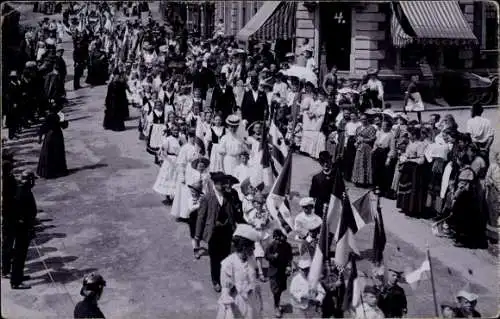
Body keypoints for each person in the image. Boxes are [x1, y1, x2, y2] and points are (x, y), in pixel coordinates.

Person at [194, 172, 245, 292]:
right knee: (215, 259)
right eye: (221, 183)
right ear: (215, 184)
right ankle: (216, 280)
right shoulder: (207, 198)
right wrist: (197, 236)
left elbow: (235, 215)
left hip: (227, 231)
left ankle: (226, 280)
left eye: (224, 183)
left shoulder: (229, 196)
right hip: (214, 232)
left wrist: (245, 225)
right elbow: (201, 218)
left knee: (226, 257)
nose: (224, 185)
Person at [216, 224, 263, 319]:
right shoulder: (228, 264)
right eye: (252, 245)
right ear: (244, 246)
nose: (254, 249)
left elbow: (253, 279)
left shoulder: (251, 260)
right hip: (236, 306)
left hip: (251, 304)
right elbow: (225, 290)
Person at [10, 170, 38, 289]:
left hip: (24, 226)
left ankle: (19, 276)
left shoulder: (23, 189)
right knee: (19, 254)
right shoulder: (23, 192)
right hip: (22, 228)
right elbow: (21, 213)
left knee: (22, 254)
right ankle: (16, 281)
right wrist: (28, 227)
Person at [396, 127, 427, 218]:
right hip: (407, 167)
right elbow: (406, 154)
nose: (408, 136)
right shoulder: (410, 143)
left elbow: (421, 160)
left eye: (409, 134)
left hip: (414, 169)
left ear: (414, 135)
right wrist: (403, 158)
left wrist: (410, 159)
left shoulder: (420, 144)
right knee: (404, 186)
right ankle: (404, 206)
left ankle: (411, 209)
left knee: (412, 188)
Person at [265, 229, 293, 318]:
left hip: (283, 271)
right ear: (274, 237)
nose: (279, 239)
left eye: (280, 237)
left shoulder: (287, 245)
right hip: (274, 272)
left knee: (280, 290)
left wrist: (289, 266)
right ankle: (276, 307)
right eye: (276, 237)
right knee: (275, 290)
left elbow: (290, 256)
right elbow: (266, 256)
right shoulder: (271, 245)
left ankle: (277, 303)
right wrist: (273, 256)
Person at [37, 104, 68, 179]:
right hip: (57, 136)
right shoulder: (59, 115)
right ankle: (58, 171)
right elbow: (64, 126)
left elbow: (43, 127)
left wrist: (40, 137)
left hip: (49, 136)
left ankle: (48, 172)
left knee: (48, 154)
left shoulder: (49, 115)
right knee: (57, 153)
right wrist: (63, 118)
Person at [153, 125, 181, 203]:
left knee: (177, 178)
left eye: (177, 130)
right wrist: (164, 159)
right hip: (170, 160)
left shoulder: (181, 138)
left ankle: (176, 196)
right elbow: (163, 150)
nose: (176, 131)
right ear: (171, 131)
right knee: (168, 177)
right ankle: (168, 197)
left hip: (178, 159)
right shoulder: (168, 139)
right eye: (174, 130)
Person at [1, 158, 17, 278]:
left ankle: (7, 268)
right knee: (7, 245)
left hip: (8, 217)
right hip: (9, 218)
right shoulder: (8, 182)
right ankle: (5, 270)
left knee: (8, 244)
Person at [352, 113, 377, 187]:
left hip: (367, 148)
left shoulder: (371, 128)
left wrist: (364, 139)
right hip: (359, 147)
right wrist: (356, 141)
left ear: (367, 119)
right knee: (358, 163)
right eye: (362, 119)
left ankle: (365, 181)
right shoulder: (359, 128)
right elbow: (356, 136)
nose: (363, 120)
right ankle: (357, 180)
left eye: (364, 119)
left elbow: (373, 138)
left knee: (365, 163)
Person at [301, 88, 327, 159]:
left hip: (320, 120)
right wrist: (312, 112)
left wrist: (313, 113)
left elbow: (320, 113)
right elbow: (314, 110)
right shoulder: (319, 102)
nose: (320, 97)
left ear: (324, 96)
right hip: (315, 120)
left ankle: (317, 154)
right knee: (314, 136)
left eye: (322, 96)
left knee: (317, 135)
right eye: (319, 96)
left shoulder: (324, 104)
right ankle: (312, 152)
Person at [372, 119, 395, 197]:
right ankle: (376, 186)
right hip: (377, 153)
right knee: (376, 170)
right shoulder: (380, 133)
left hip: (384, 153)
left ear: (388, 127)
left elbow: (392, 148)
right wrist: (374, 149)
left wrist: (389, 158)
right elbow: (376, 143)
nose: (382, 127)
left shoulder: (391, 135)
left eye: (384, 125)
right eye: (382, 125)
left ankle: (382, 189)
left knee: (383, 172)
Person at [309, 151, 336, 218]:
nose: (325, 164)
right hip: (319, 207)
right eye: (323, 162)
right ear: (320, 163)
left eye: (327, 162)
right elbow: (312, 195)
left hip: (332, 207)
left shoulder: (336, 177)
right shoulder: (316, 178)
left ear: (330, 161)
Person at [343, 112, 362, 181]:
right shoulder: (348, 124)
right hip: (349, 141)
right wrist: (345, 144)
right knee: (348, 159)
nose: (352, 117)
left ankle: (354, 177)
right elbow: (346, 134)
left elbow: (360, 134)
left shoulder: (359, 124)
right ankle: (347, 176)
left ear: (357, 116)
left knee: (355, 159)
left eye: (354, 116)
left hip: (356, 141)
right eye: (351, 116)